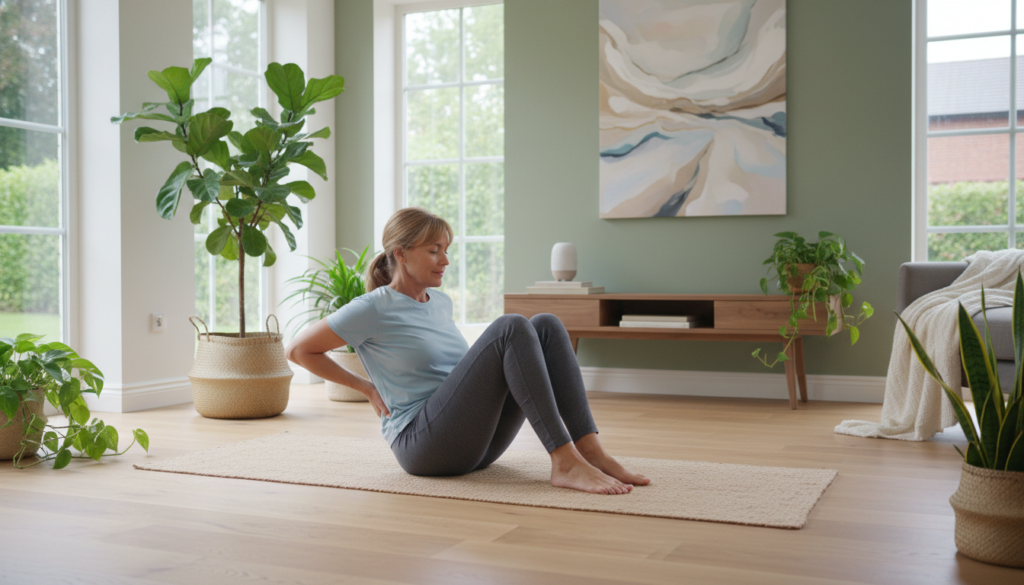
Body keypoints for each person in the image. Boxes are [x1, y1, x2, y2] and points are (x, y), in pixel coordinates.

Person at [286, 207, 649, 495]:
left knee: (547, 325)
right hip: (423, 446)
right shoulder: (372, 307)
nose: (445, 259)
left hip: (474, 445)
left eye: (446, 250)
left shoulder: (439, 302)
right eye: (434, 250)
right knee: (511, 326)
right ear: (401, 254)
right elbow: (300, 351)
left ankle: (590, 451)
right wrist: (365, 387)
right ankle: (564, 461)